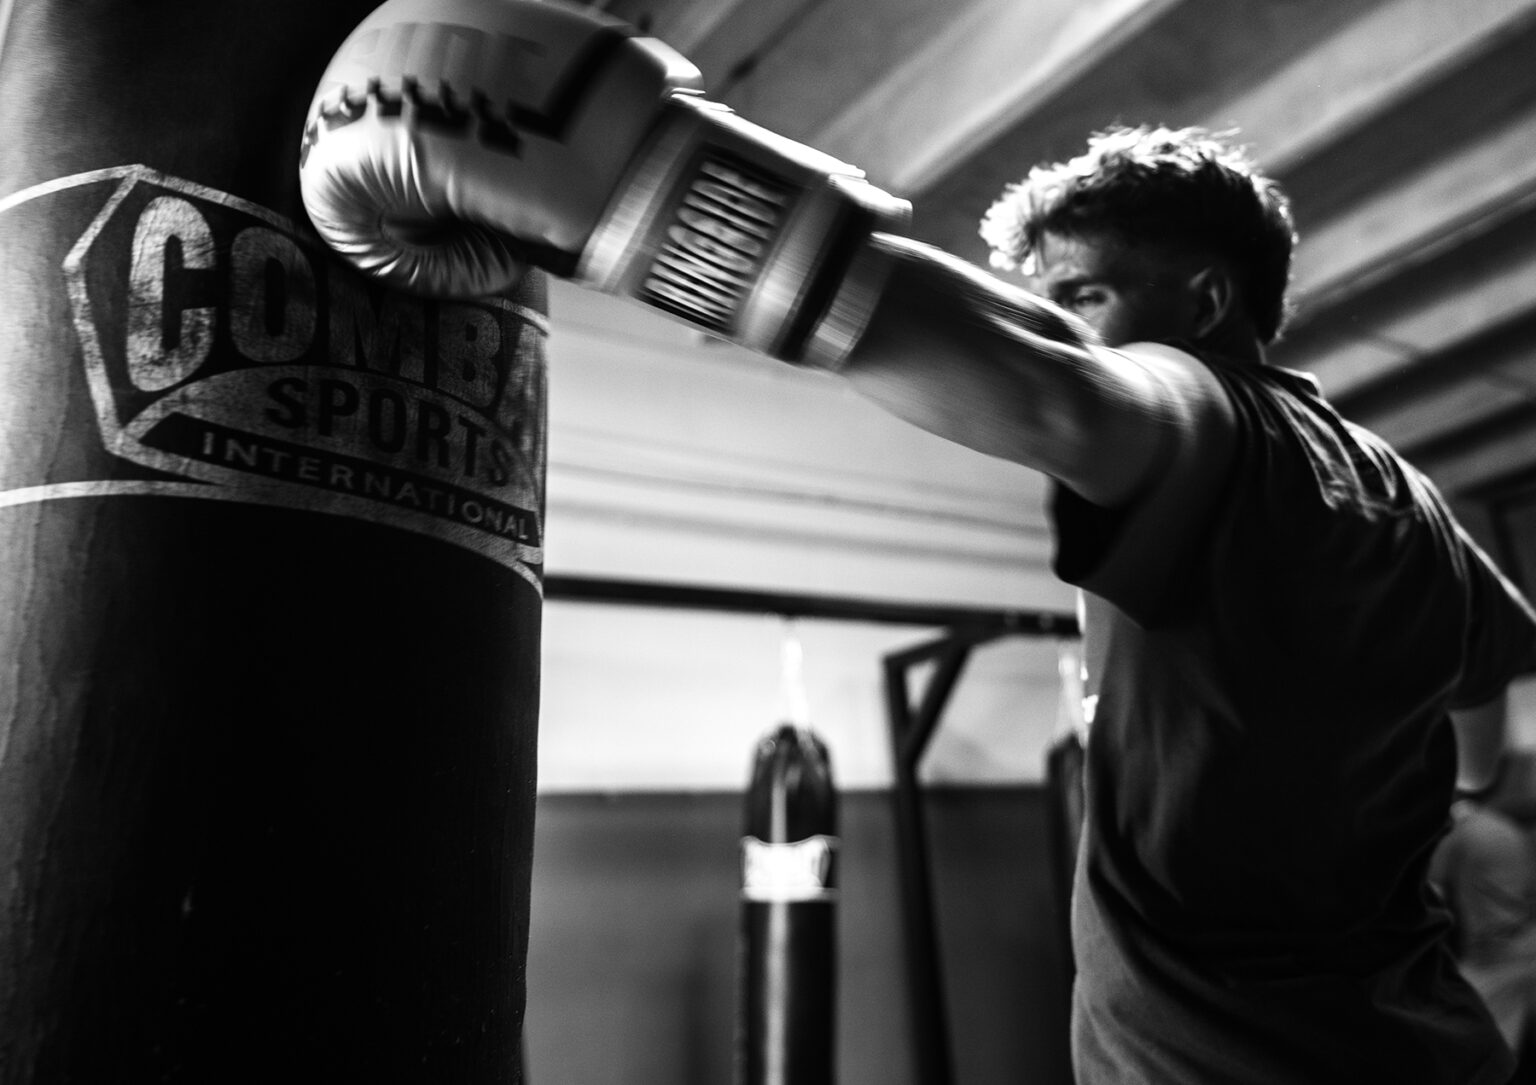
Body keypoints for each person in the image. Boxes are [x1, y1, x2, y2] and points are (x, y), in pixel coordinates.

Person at [297, 5, 1536, 1078]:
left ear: (1206, 301)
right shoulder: (1412, 503)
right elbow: (1485, 709)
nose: (1069, 328)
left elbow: (1055, 387)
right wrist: (1424, 783)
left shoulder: (1198, 416)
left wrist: (621, 175)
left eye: (1086, 295)